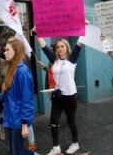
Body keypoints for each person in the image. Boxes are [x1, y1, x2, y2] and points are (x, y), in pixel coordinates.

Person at [0, 29, 38, 152]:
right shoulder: (12, 68)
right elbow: (11, 93)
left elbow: (27, 101)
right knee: (15, 150)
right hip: (12, 116)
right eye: (5, 50)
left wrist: (25, 124)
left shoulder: (22, 72)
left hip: (18, 119)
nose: (5, 52)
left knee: (16, 150)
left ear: (16, 51)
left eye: (7, 50)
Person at [32, 26, 82, 155]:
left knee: (71, 122)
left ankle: (75, 143)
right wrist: (37, 33)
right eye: (58, 46)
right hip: (57, 96)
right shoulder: (54, 60)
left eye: (62, 46)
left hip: (70, 96)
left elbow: (80, 42)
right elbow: (43, 47)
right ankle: (56, 147)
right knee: (53, 122)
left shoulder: (72, 59)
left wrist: (84, 26)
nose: (60, 48)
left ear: (67, 48)